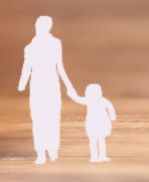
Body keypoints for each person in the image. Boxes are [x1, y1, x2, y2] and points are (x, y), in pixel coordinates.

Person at [17, 16, 79, 164]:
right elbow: (27, 67)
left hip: (51, 84)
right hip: (38, 85)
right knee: (38, 120)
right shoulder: (30, 47)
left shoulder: (55, 44)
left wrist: (69, 86)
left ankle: (52, 150)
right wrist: (22, 84)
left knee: (51, 119)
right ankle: (40, 152)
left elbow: (59, 66)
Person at [69, 83, 117, 162]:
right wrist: (72, 94)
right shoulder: (90, 100)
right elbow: (78, 99)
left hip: (100, 122)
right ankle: (95, 157)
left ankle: (101, 156)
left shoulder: (101, 100)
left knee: (99, 140)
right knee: (94, 140)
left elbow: (110, 107)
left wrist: (112, 115)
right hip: (92, 122)